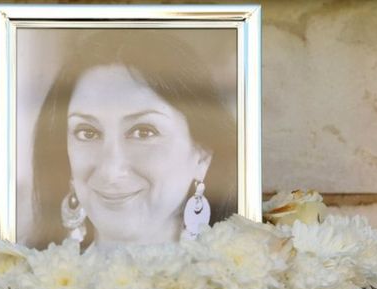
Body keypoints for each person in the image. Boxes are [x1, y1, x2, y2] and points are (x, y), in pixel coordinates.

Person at [29, 30, 237, 250]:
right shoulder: (22, 276)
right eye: (87, 133)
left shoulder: (248, 277)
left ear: (202, 155)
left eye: (143, 132)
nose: (110, 170)